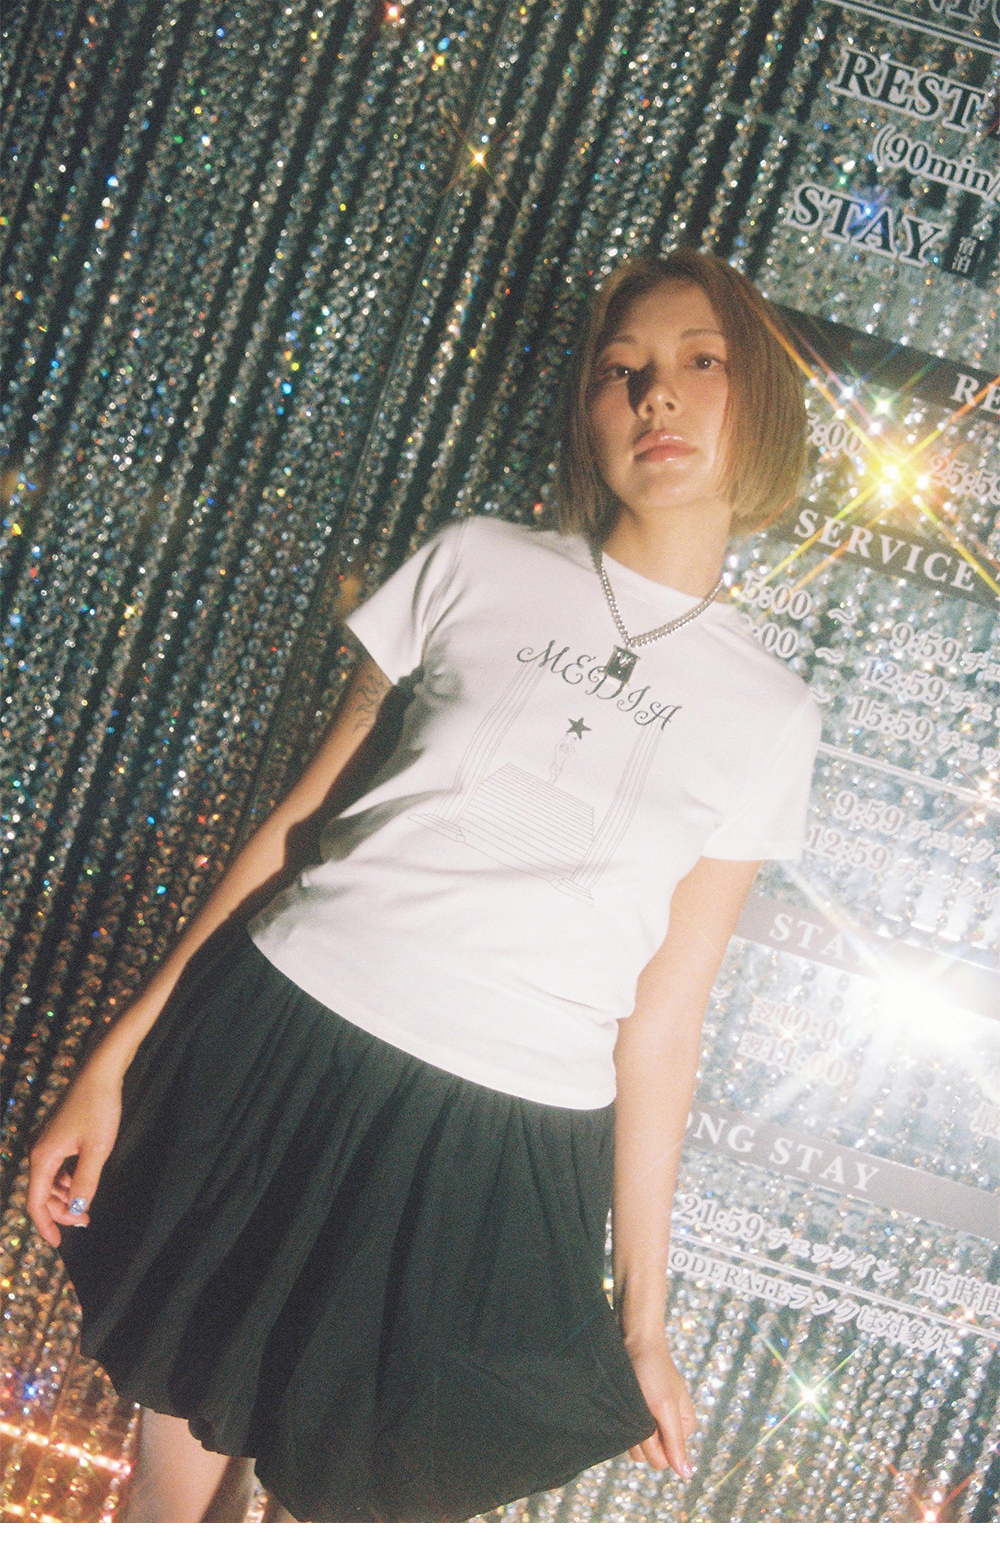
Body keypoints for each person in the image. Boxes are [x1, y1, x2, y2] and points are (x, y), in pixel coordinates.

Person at [28, 248, 821, 1523]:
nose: (655, 394)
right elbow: (298, 825)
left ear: (761, 402)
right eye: (621, 369)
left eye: (698, 360)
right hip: (284, 1035)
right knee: (174, 1469)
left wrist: (643, 1317)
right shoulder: (475, 560)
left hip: (500, 1131)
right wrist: (114, 1058)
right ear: (587, 409)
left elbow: (666, 1018)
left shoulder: (773, 711)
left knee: (361, 1477)